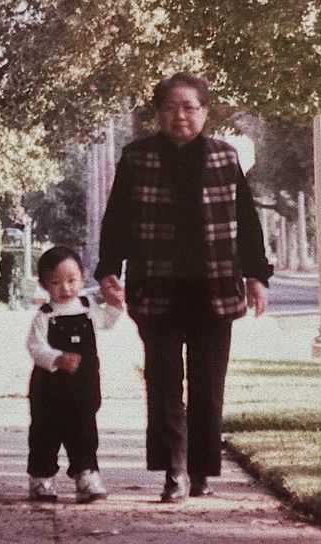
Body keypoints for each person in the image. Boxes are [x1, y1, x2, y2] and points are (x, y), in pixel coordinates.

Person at [95, 72, 273, 503]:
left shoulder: (224, 158)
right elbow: (117, 217)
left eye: (190, 108)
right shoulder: (138, 157)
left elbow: (247, 222)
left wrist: (257, 276)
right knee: (163, 382)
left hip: (214, 289)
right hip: (157, 287)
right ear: (159, 113)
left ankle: (201, 471)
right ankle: (173, 471)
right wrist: (108, 270)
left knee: (208, 384)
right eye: (171, 108)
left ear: (204, 112)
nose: (180, 117)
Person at [26, 245, 125, 503]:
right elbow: (35, 347)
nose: (65, 288)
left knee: (85, 433)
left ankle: (87, 474)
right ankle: (41, 477)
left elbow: (106, 322)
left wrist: (115, 306)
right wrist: (56, 358)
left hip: (83, 387)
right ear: (44, 285)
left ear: (82, 277)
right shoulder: (45, 316)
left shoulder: (88, 307)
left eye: (71, 281)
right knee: (44, 433)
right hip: (49, 390)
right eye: (56, 282)